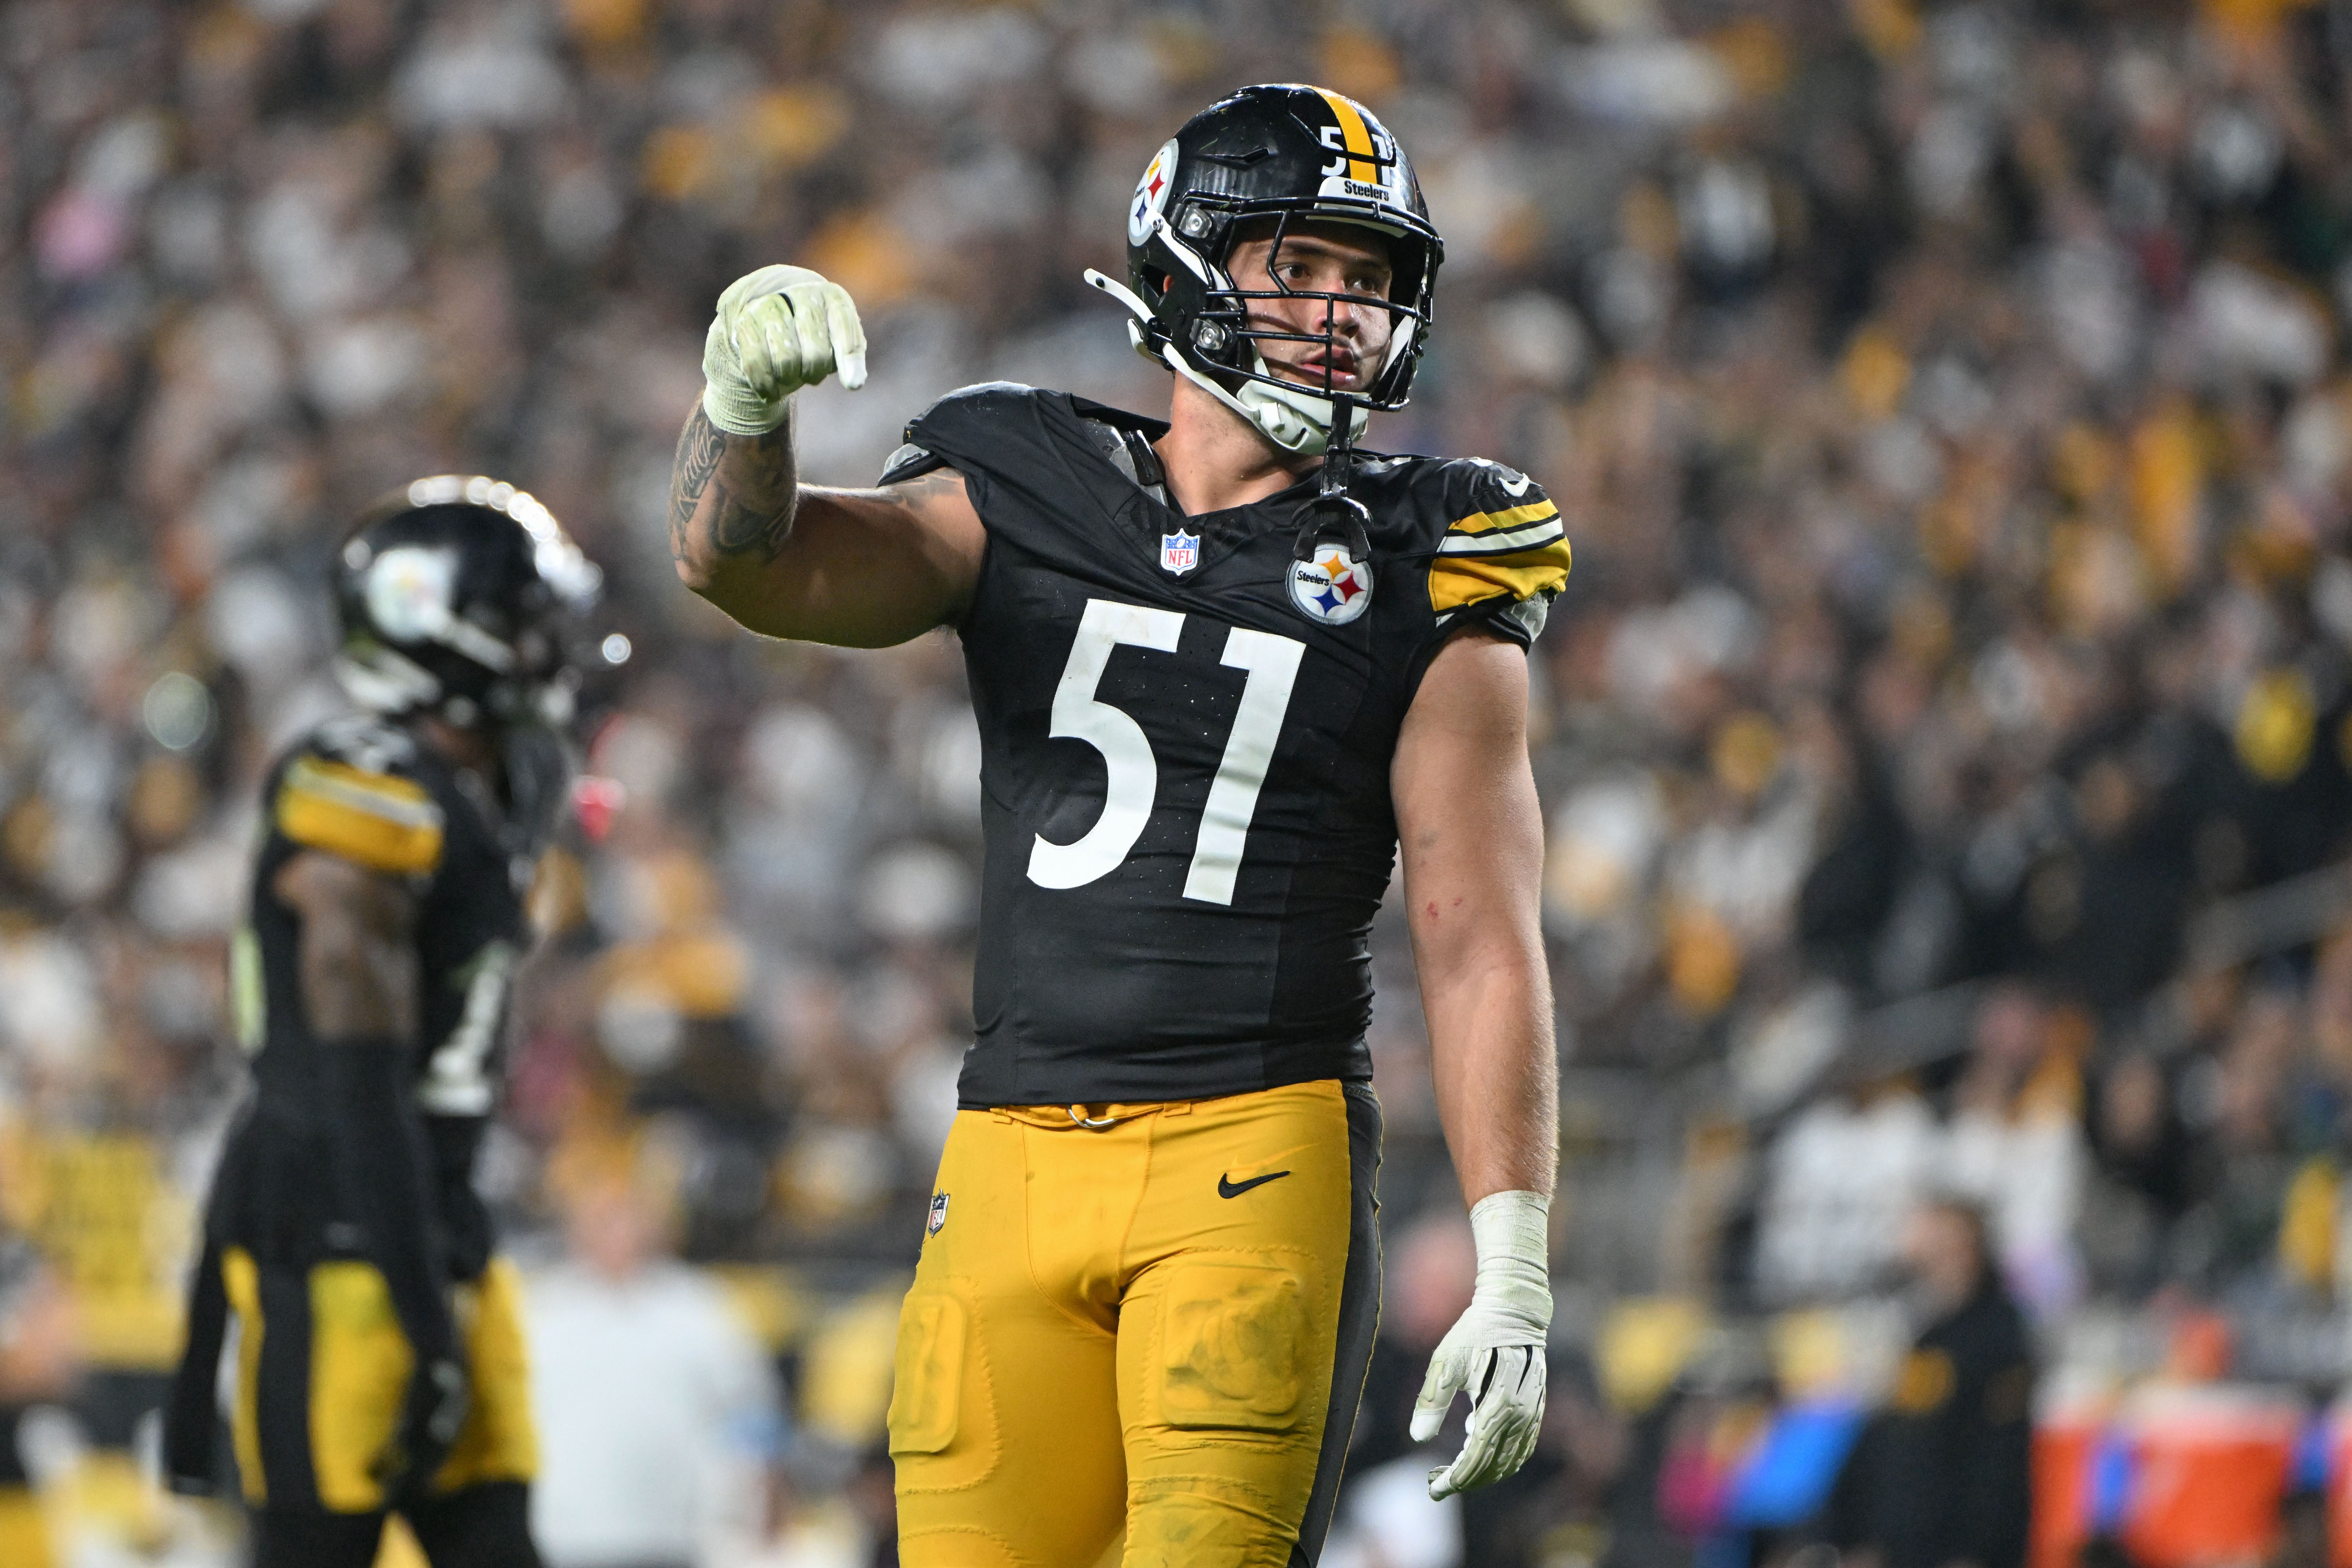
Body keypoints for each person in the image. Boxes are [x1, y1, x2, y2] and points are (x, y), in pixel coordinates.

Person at [669, 84, 1566, 1566]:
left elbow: (1473, 928)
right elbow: (745, 565)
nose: (1341, 311)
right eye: (1302, 265)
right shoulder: (1026, 472)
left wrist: (1511, 1255)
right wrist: (739, 412)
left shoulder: (1425, 546)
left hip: (1252, 1147)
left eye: (1366, 277)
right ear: (1183, 266)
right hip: (1008, 1146)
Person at [162, 477, 604, 1567]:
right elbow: (355, 1074)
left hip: (438, 1226)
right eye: (527, 619)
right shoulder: (357, 788)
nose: (556, 643)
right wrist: (418, 1309)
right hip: (339, 1243)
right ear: (448, 637)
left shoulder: (498, 776)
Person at [1829, 1197, 2035, 1568]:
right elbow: (1891, 1441)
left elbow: (2000, 1457)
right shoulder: (1926, 1337)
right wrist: (1858, 1535)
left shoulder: (1999, 1335)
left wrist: (1975, 1550)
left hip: (1954, 1549)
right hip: (1900, 1544)